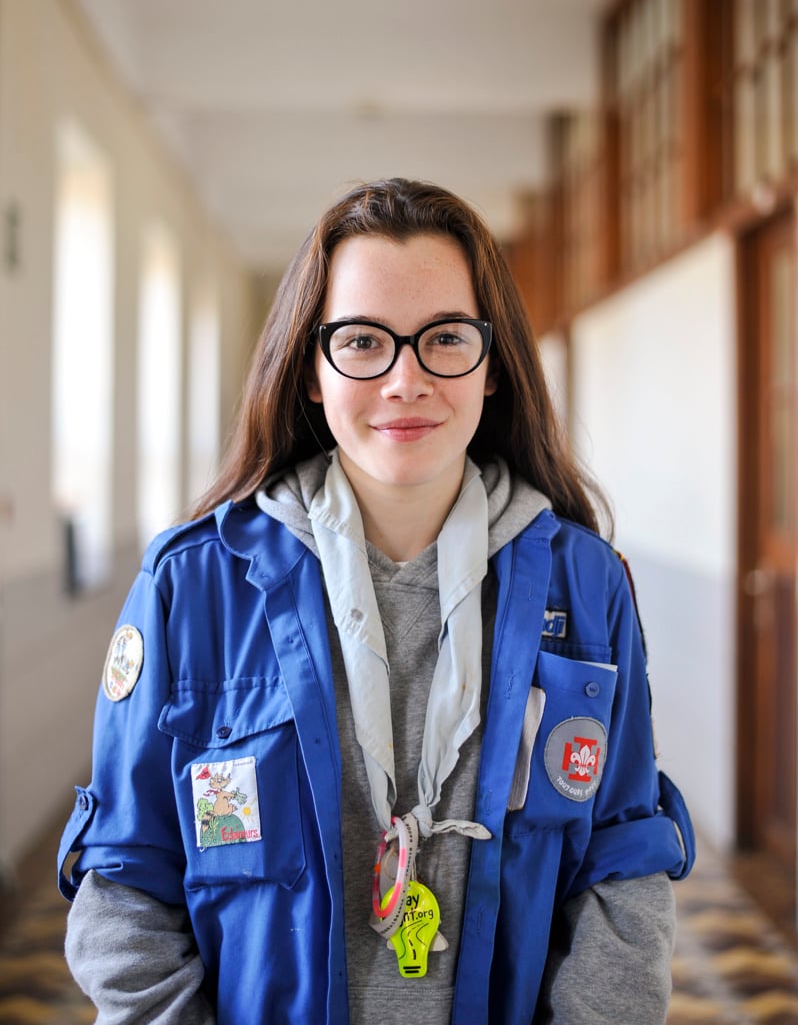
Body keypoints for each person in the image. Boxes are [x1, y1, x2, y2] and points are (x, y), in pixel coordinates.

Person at [58, 177, 694, 1024]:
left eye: (444, 338)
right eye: (363, 342)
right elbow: (126, 879)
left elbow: (623, 864)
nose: (405, 380)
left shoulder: (586, 586)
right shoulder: (191, 587)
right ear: (312, 371)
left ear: (493, 365)